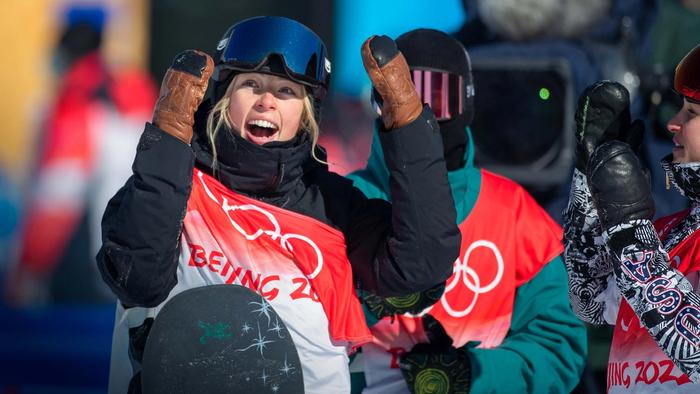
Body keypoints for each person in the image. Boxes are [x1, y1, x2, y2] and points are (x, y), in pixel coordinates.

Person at [96, 16, 461, 393]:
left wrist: (408, 125)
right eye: (251, 84)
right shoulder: (175, 181)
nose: (267, 101)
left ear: (305, 113)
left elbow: (420, 265)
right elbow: (137, 279)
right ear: (223, 98)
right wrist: (169, 140)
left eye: (286, 91)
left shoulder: (334, 206)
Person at [347, 29, 587, 393]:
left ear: (466, 104)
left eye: (438, 97)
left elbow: (558, 346)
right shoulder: (344, 202)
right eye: (403, 94)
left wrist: (474, 374)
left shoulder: (514, 214)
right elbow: (304, 327)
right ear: (379, 103)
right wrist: (366, 298)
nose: (419, 114)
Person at [564, 44, 700, 392]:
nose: (674, 123)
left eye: (692, 113)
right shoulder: (670, 232)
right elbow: (591, 303)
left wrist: (634, 244)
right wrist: (591, 191)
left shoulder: (647, 240)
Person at [5, 12, 157, 305]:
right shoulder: (127, 84)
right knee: (113, 224)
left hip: (88, 148)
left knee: (58, 204)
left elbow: (53, 193)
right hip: (126, 157)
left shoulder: (77, 93)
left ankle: (26, 286)